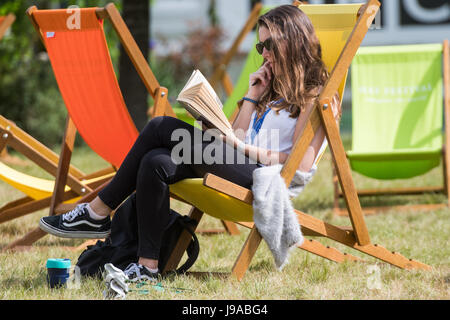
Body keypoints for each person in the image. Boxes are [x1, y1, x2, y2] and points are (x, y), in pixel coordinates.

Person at [39, 4, 340, 282]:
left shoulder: (317, 95)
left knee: (160, 126)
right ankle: (147, 267)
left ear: (294, 41)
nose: (265, 54)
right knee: (155, 161)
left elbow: (299, 163)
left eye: (270, 45)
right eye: (261, 46)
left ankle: (98, 211)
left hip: (269, 179)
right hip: (243, 166)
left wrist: (239, 146)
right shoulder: (272, 88)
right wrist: (251, 96)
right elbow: (235, 135)